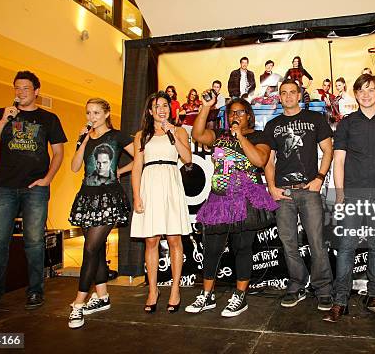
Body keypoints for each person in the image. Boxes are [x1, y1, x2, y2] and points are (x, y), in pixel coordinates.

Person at [0, 71, 67, 315]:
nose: (20, 92)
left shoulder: (48, 118)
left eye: (25, 88)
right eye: (17, 88)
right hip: (4, 187)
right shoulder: (1, 115)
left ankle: (35, 290)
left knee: (34, 241)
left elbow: (58, 153)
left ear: (36, 91)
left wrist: (47, 179)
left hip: (35, 189)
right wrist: (4, 121)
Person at [186, 97, 278, 317]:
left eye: (240, 112)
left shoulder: (259, 136)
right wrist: (206, 107)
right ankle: (207, 296)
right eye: (231, 113)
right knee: (212, 249)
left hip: (245, 199)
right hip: (219, 199)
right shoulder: (219, 136)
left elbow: (259, 161)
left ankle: (240, 296)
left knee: (242, 248)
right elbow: (197, 135)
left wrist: (240, 137)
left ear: (248, 115)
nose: (235, 116)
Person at [323, 74, 375, 322]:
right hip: (352, 194)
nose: (366, 94)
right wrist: (340, 194)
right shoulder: (346, 123)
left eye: (371, 89)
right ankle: (340, 300)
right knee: (346, 247)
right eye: (361, 90)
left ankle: (374, 294)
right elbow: (339, 160)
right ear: (355, 95)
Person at [264, 79, 334, 311]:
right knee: (288, 242)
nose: (288, 96)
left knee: (316, 241)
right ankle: (296, 285)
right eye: (283, 93)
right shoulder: (273, 124)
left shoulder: (315, 119)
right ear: (280, 97)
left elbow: (328, 150)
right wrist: (271, 187)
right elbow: (269, 160)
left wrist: (320, 178)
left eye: (292, 92)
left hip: (309, 189)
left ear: (300, 94)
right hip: (283, 191)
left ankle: (323, 289)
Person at [67, 98, 134, 329]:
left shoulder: (117, 136)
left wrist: (120, 171)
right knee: (94, 250)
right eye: (88, 113)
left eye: (96, 112)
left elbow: (141, 157)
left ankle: (78, 303)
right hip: (87, 198)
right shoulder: (85, 136)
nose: (91, 117)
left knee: (90, 249)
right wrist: (82, 140)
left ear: (106, 114)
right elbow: (75, 167)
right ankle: (102, 295)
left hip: (108, 198)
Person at [130, 91, 192, 314]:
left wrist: (172, 134)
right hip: (149, 185)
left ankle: (175, 288)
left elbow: (187, 159)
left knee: (175, 239)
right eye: (157, 106)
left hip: (171, 184)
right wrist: (137, 196)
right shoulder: (141, 135)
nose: (161, 109)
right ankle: (153, 290)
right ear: (150, 111)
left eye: (165, 105)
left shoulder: (179, 131)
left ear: (170, 109)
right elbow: (137, 167)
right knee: (151, 241)